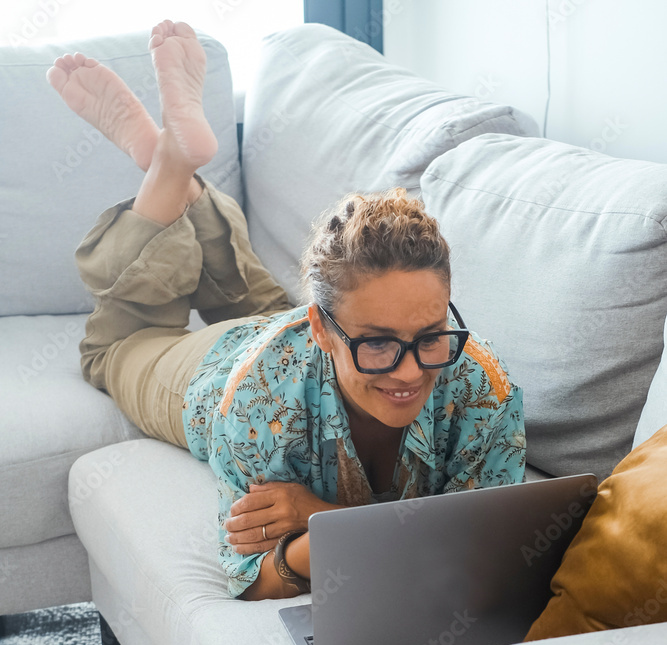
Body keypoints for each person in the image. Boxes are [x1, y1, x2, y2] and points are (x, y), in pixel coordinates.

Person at [48, 20, 526, 602]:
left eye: (429, 335)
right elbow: (252, 578)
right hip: (218, 368)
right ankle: (170, 168)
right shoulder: (254, 402)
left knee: (262, 303)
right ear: (321, 327)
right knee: (117, 346)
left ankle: (172, 173)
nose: (409, 371)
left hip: (295, 342)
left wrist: (315, 514)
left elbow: (478, 545)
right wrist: (332, 528)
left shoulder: (482, 386)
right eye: (378, 344)